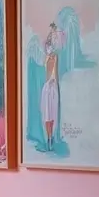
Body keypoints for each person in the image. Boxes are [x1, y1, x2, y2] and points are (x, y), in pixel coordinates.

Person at [40, 21, 61, 151]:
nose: (51, 50)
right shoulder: (47, 60)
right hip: (48, 89)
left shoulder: (55, 58)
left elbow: (56, 75)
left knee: (52, 115)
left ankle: (51, 137)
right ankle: (48, 138)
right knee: (48, 115)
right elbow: (48, 75)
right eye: (49, 48)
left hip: (53, 89)